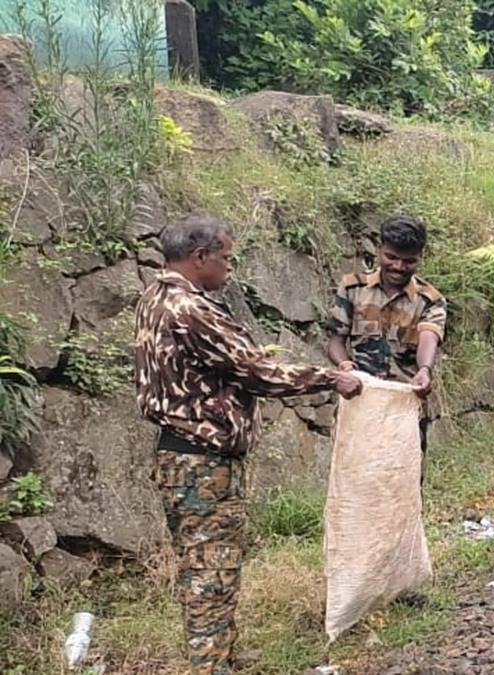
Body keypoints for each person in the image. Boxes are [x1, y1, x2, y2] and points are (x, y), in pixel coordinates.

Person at [134, 211, 363, 675]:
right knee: (209, 572)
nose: (229, 268)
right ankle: (209, 665)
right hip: (201, 461)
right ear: (199, 258)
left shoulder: (155, 297)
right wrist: (331, 378)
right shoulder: (190, 310)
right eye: (226, 258)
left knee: (212, 563)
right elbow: (257, 369)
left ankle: (222, 653)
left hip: (186, 454)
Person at [325, 214, 446, 465]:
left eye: (408, 261)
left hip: (403, 411)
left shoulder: (430, 300)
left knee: (402, 485)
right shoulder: (351, 288)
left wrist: (424, 370)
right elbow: (336, 341)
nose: (399, 267)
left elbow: (429, 335)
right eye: (391, 257)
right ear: (379, 250)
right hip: (358, 405)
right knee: (354, 479)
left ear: (419, 258)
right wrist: (346, 368)